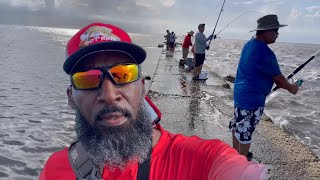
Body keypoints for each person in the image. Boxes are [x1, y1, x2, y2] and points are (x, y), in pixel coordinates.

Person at [39, 22, 266, 180]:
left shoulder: (202, 160)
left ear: (142, 87)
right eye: (88, 80)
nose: (109, 94)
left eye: (123, 74)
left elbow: (231, 169)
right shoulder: (55, 169)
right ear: (71, 98)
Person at [229, 14, 300, 161]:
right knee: (246, 131)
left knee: (238, 124)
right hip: (252, 100)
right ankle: (240, 161)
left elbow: (258, 71)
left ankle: (235, 152)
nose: (277, 34)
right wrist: (292, 88)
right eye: (275, 30)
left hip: (239, 94)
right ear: (265, 31)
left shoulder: (249, 44)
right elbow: (280, 80)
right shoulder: (266, 53)